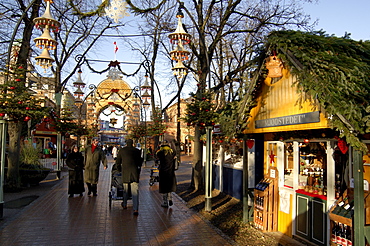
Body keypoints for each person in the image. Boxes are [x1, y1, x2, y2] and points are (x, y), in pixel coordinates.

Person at [115, 139, 143, 215]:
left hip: (125, 173)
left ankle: (124, 204)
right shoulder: (137, 151)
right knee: (135, 191)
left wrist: (119, 169)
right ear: (133, 143)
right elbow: (140, 162)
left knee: (125, 190)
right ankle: (135, 209)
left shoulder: (122, 150)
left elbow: (118, 162)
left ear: (126, 143)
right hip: (134, 173)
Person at [156, 140, 177, 207]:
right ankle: (170, 198)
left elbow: (156, 154)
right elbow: (174, 150)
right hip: (170, 172)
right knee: (169, 186)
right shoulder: (171, 153)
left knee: (163, 188)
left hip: (163, 172)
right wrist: (172, 143)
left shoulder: (160, 153)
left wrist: (159, 146)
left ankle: (165, 202)